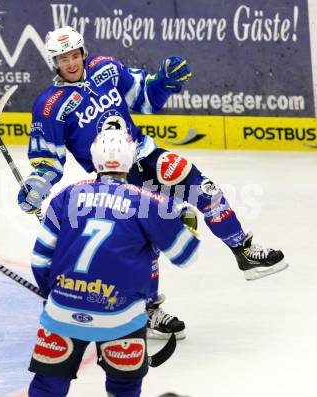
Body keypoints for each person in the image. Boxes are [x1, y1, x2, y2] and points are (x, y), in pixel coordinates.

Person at [18, 26, 287, 339]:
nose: (71, 63)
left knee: (203, 188)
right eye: (63, 58)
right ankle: (147, 309)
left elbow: (145, 98)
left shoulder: (105, 68)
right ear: (54, 62)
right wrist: (38, 183)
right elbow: (48, 160)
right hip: (114, 177)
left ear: (83, 53)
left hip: (145, 153)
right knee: (146, 241)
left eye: (75, 55)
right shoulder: (49, 105)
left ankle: (243, 249)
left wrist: (163, 83)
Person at [28, 127, 200, 397]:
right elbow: (186, 254)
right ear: (131, 159)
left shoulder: (66, 195)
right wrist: (188, 221)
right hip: (121, 317)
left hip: (62, 310)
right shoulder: (149, 202)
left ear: (94, 159)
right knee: (124, 389)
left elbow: (40, 260)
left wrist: (53, 297)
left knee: (47, 388)